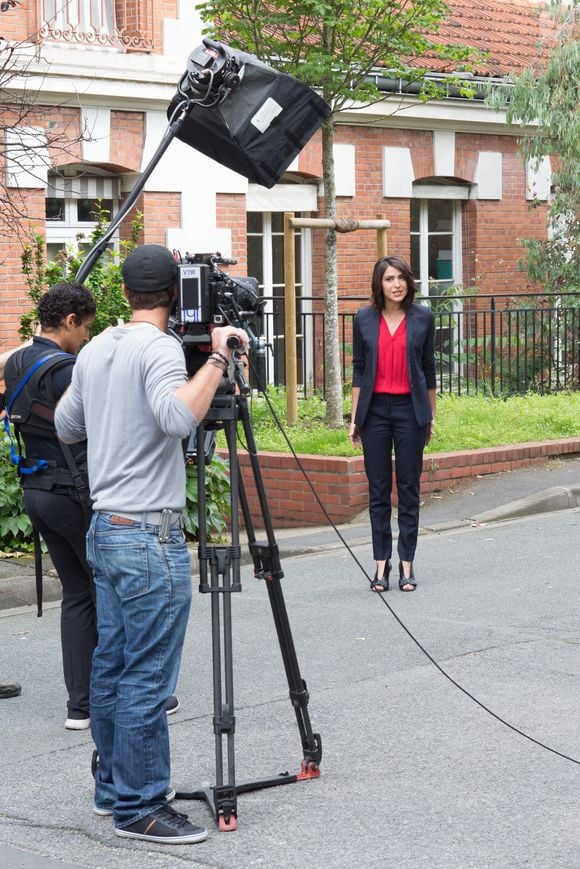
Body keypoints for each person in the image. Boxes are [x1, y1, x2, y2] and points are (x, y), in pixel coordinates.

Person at [55, 244, 248, 846]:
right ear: (175, 294)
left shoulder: (97, 347)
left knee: (112, 667)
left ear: (125, 291)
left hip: (107, 527)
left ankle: (113, 789)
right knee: (146, 676)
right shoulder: (161, 348)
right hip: (146, 533)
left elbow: (66, 424)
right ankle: (140, 807)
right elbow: (175, 418)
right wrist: (218, 359)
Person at [3, 283, 98, 729]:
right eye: (86, 327)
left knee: (77, 594)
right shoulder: (68, 370)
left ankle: (80, 706)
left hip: (36, 491)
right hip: (73, 493)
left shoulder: (17, 362)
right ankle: (125, 692)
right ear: (70, 321)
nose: (87, 337)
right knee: (108, 592)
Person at [349, 255, 436, 593]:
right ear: (379, 284)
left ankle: (407, 564)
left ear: (408, 281)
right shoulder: (364, 318)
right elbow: (359, 369)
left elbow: (428, 368)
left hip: (409, 411)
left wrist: (430, 415)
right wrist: (354, 418)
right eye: (389, 279)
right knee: (379, 490)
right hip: (374, 412)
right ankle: (381, 564)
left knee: (409, 489)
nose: (396, 284)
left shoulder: (423, 316)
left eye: (401, 278)